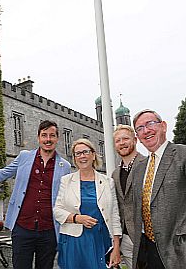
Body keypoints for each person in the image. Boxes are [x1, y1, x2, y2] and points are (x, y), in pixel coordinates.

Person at [0, 120, 71, 269]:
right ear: (38, 138)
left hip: (49, 231)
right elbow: (2, 174)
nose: (48, 139)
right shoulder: (24, 157)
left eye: (52, 136)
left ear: (57, 138)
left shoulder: (64, 166)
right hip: (22, 228)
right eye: (44, 135)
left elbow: (68, 198)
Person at [54, 138, 122, 269]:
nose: (82, 156)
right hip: (73, 241)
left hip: (100, 240)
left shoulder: (108, 182)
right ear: (74, 158)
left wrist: (116, 247)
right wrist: (76, 218)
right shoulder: (66, 181)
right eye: (78, 153)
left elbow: (114, 216)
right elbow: (57, 211)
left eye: (85, 152)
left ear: (93, 154)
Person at [132, 109, 186, 269]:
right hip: (147, 251)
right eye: (140, 128)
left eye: (150, 124)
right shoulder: (139, 168)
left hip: (178, 251)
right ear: (138, 138)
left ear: (163, 126)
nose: (146, 130)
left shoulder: (182, 154)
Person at [112, 125, 145, 269]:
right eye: (118, 140)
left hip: (146, 237)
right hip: (125, 238)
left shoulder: (148, 164)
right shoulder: (114, 174)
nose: (122, 143)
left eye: (125, 138)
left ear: (135, 140)